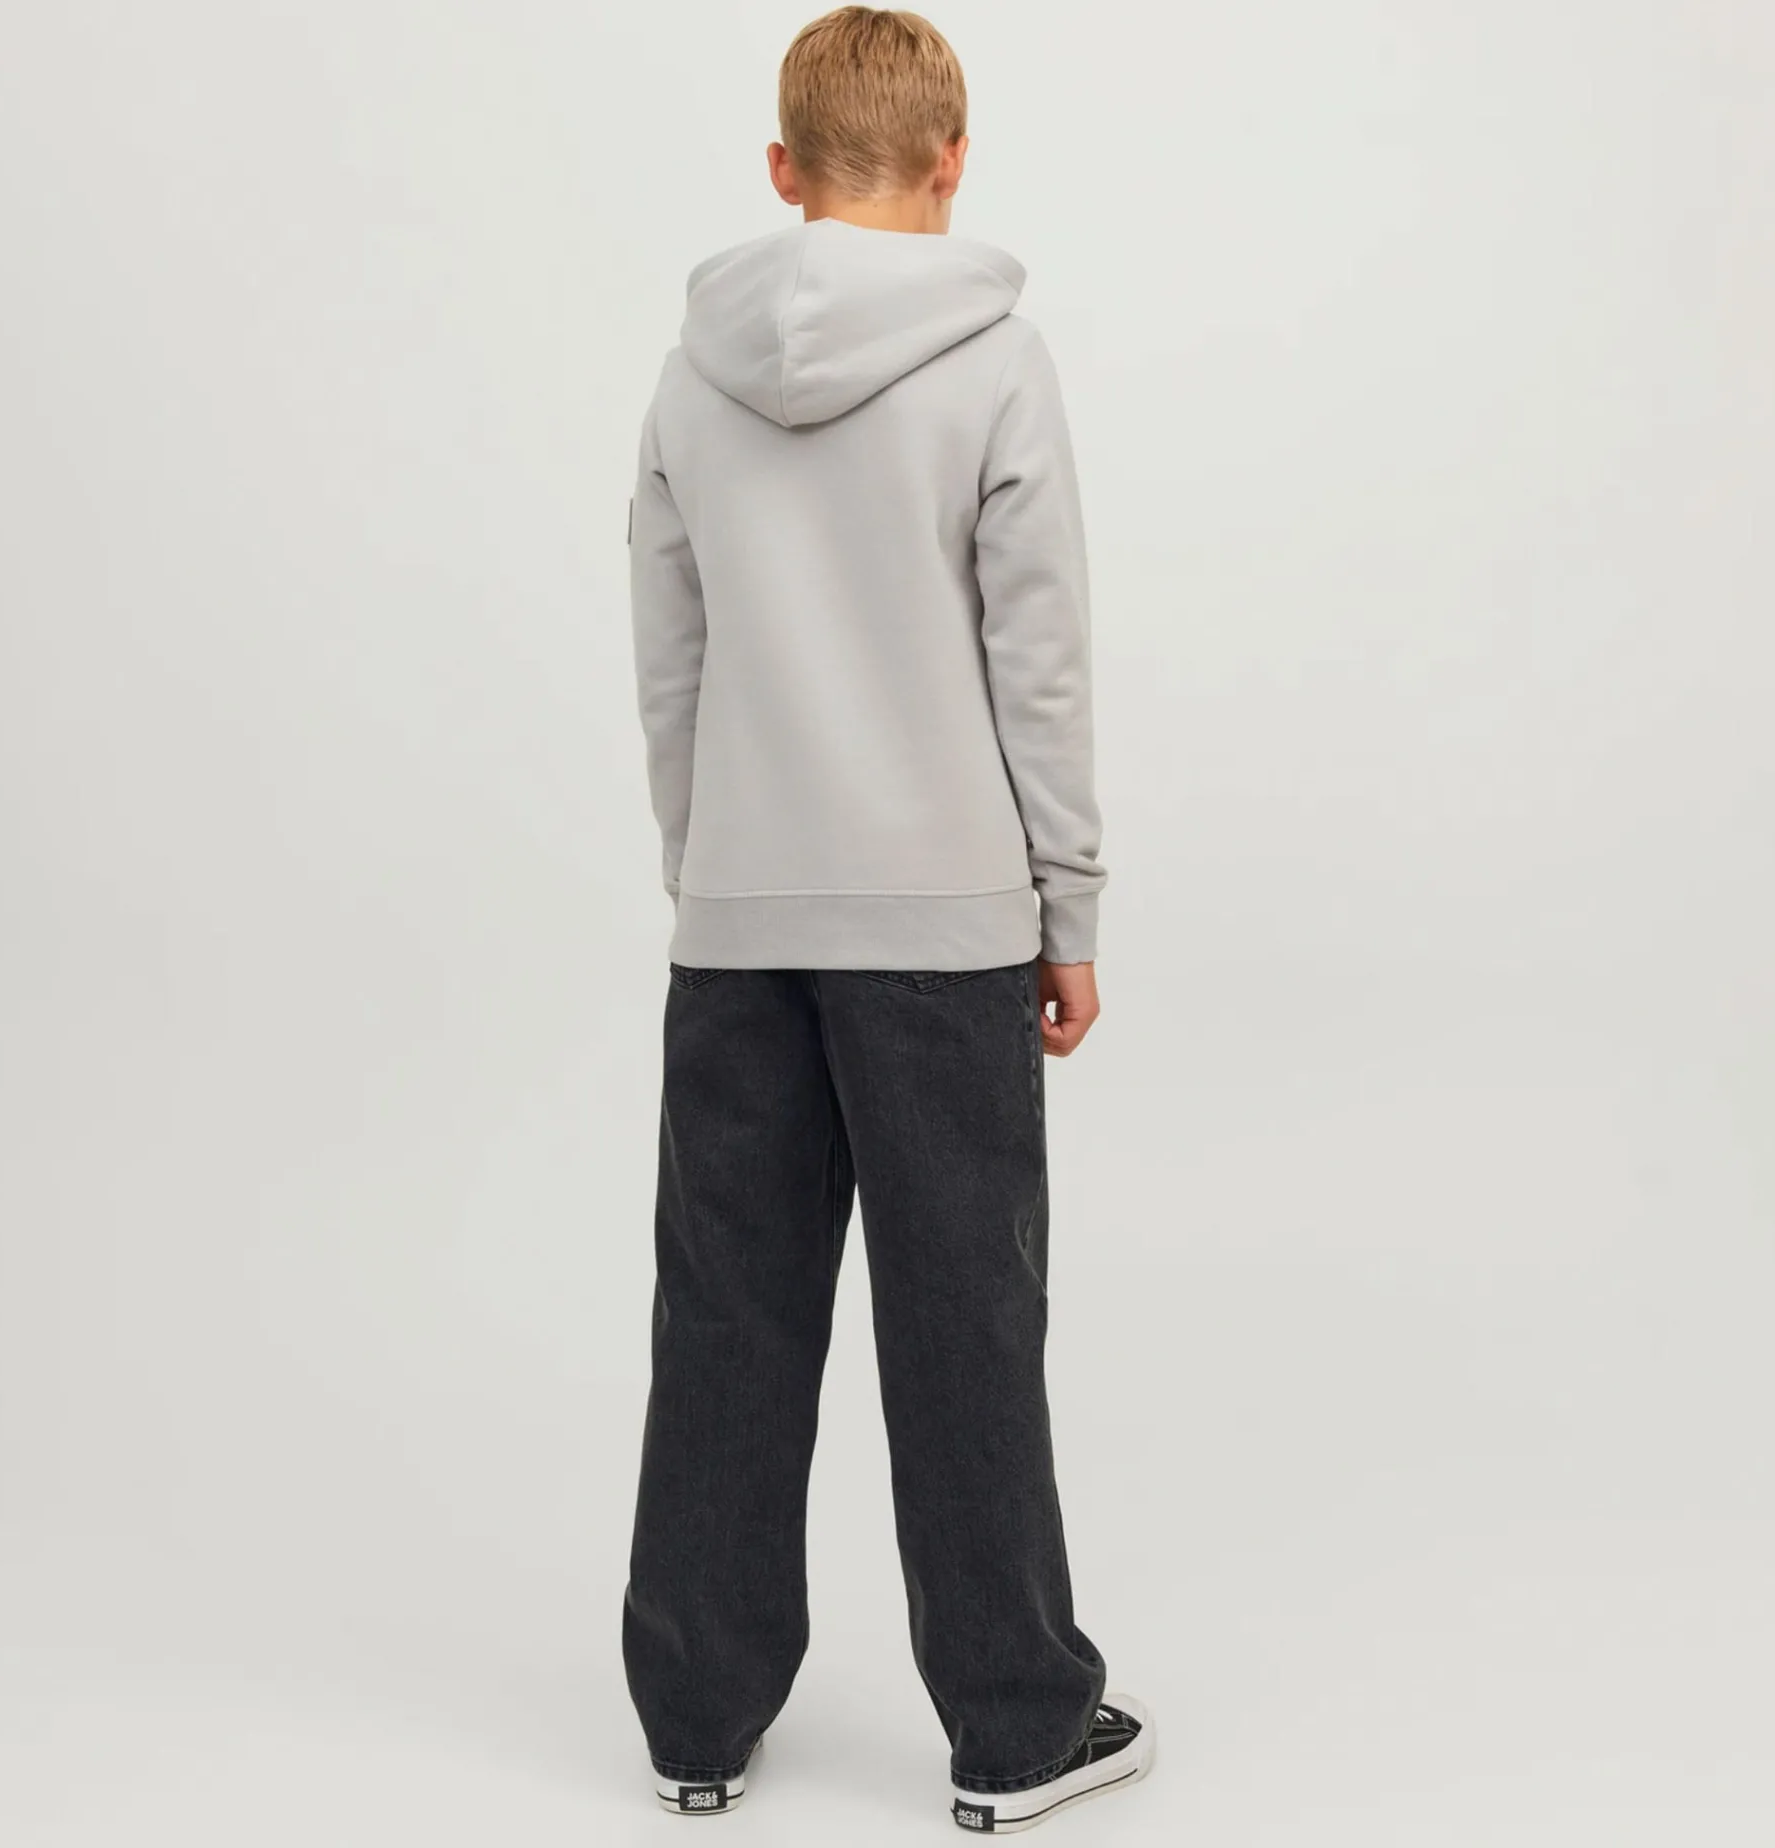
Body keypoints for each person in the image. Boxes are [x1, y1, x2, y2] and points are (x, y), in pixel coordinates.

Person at [622, 6, 1153, 1831]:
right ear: (954, 160)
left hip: (740, 918)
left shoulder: (690, 377)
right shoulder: (995, 362)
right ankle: (1014, 1730)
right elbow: (1040, 663)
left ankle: (695, 1722)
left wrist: (712, 865)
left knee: (727, 1314)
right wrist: (1068, 904)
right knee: (963, 1322)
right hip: (946, 929)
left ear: (781, 170)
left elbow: (670, 660)